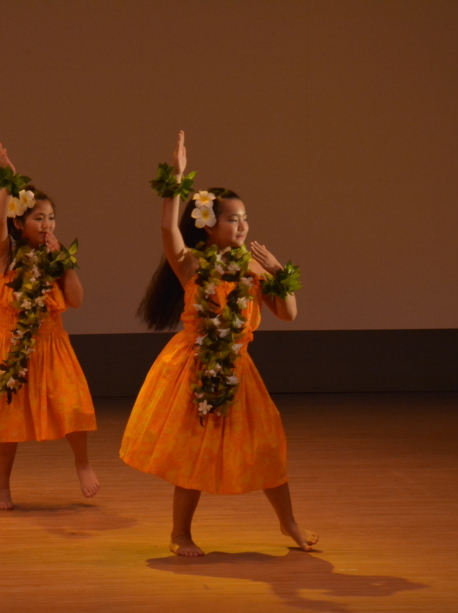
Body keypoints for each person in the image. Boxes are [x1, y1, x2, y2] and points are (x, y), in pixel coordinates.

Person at [120, 131, 318, 556]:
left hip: (238, 368)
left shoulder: (253, 268)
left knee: (266, 444)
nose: (242, 225)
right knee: (192, 450)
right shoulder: (192, 265)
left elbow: (288, 313)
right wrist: (176, 179)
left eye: (245, 218)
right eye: (232, 219)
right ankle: (180, 534)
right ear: (208, 225)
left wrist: (278, 272)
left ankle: (289, 524)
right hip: (193, 368)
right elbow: (167, 227)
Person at [0, 141, 99, 510]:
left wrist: (63, 262)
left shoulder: (57, 257)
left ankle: (82, 463)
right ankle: (2, 487)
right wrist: (8, 179)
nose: (47, 224)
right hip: (12, 347)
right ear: (19, 223)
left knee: (74, 408)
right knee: (8, 421)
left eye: (51, 217)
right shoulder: (6, 258)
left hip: (53, 344)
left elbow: (76, 299)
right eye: (39, 218)